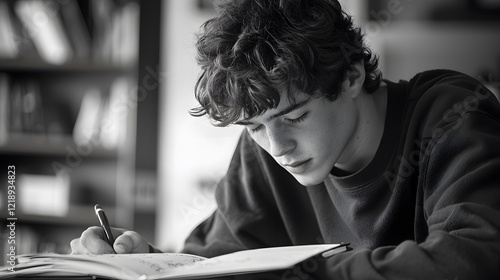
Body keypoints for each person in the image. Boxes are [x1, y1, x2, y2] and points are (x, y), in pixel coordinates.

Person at [71, 0, 500, 278]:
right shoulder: (264, 152)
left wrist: (298, 272)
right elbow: (218, 265)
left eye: (294, 116)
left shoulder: (449, 113)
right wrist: (149, 264)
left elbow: (476, 257)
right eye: (255, 127)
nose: (277, 148)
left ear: (351, 76)